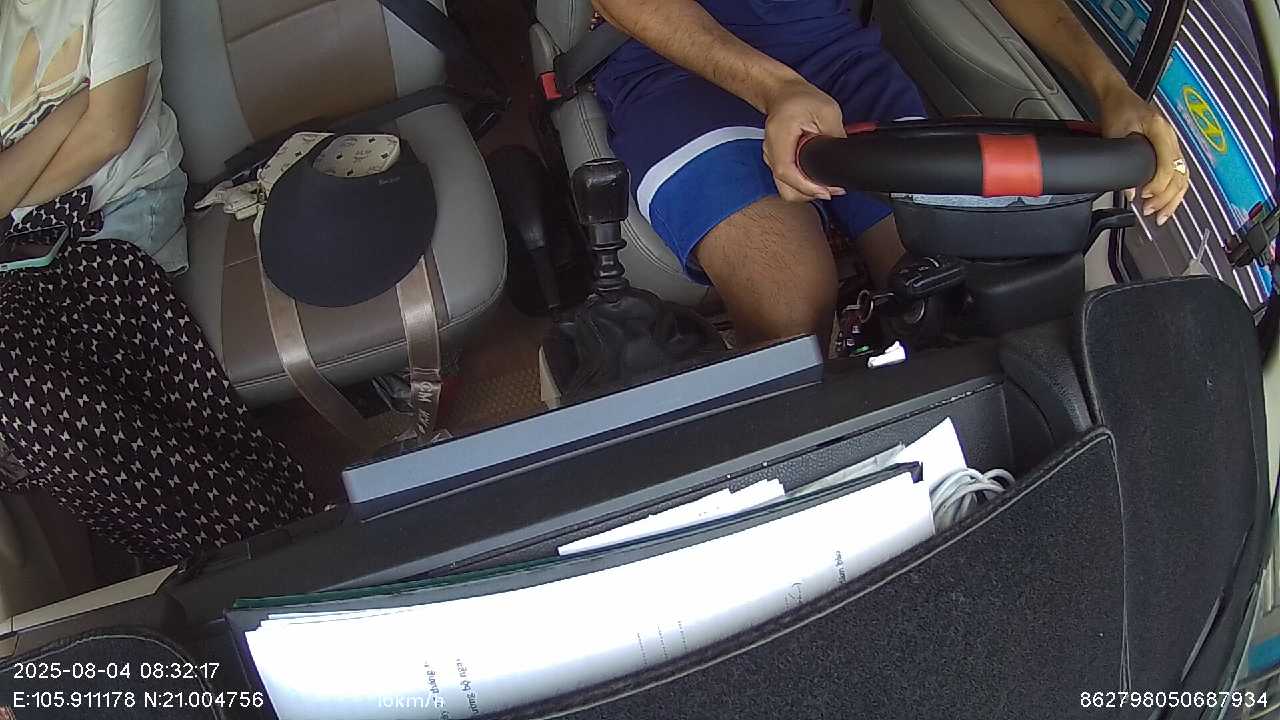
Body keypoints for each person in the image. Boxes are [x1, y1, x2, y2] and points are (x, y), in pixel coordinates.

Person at [592, 0, 1190, 346]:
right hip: (672, 67)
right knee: (788, 307)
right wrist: (775, 88)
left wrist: (1111, 87)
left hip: (838, 59)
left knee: (959, 290)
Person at [0, 0, 314, 566]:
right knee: (28, 391)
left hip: (119, 208)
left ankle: (251, 529)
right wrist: (70, 111)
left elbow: (109, 132)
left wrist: (16, 184)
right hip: (26, 244)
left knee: (39, 390)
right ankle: (225, 539)